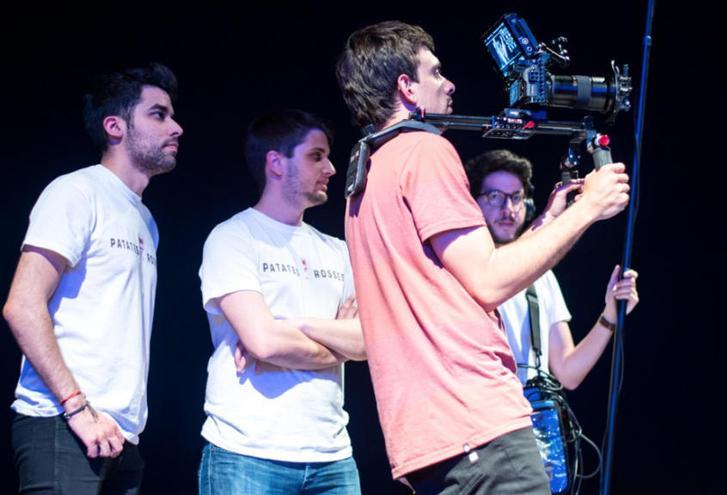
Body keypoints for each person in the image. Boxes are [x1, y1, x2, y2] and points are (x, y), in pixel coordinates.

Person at [336, 21, 630, 494]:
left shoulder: (366, 173)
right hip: (477, 425)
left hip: (427, 437)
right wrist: (591, 208)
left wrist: (550, 224)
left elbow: (435, 281)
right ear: (406, 88)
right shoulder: (425, 150)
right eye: (435, 73)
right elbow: (488, 280)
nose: (449, 83)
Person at [3, 62, 183, 493]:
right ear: (115, 126)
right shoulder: (76, 192)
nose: (176, 127)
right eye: (158, 114)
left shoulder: (144, 219)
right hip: (61, 424)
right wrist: (77, 407)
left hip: (120, 435)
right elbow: (22, 305)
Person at [197, 109, 364, 494]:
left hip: (333, 458)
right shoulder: (232, 238)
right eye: (316, 156)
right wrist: (335, 342)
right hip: (246, 454)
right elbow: (264, 343)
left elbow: (367, 342)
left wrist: (290, 325)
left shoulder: (337, 251)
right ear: (276, 162)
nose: (332, 168)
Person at [464, 149, 640, 389]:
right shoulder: (463, 269)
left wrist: (610, 315)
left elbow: (568, 373)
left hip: (528, 420)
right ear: (472, 202)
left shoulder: (542, 277)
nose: (508, 209)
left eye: (516, 197)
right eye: (495, 196)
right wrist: (556, 216)